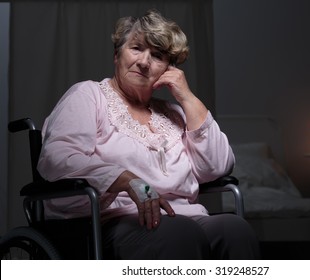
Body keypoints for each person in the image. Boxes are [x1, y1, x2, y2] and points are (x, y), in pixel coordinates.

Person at [37, 10, 259, 259]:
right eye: (136, 48)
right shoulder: (90, 96)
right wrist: (127, 179)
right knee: (180, 233)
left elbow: (217, 166)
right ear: (117, 55)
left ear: (168, 69)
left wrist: (186, 96)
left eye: (157, 55)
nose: (144, 62)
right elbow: (57, 158)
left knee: (235, 230)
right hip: (113, 220)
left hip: (184, 217)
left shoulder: (175, 113)